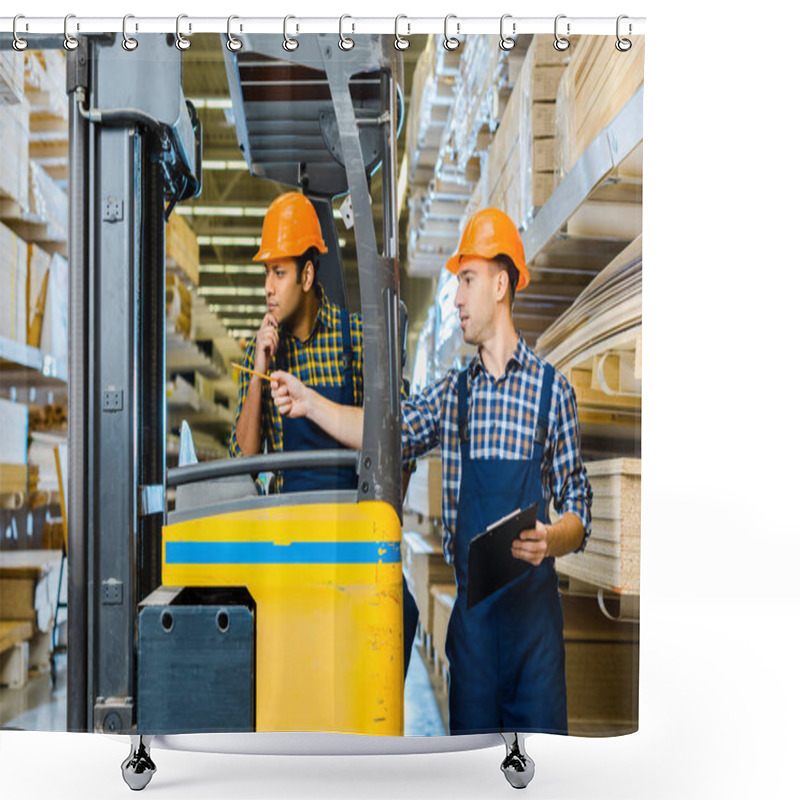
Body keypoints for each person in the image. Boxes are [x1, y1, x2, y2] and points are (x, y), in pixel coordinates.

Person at [269, 207, 593, 735]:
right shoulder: (452, 395)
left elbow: (579, 505)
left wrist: (554, 538)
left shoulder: (553, 393)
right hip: (476, 643)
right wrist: (308, 402)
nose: (458, 299)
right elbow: (383, 433)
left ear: (501, 284)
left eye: (467, 281)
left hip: (535, 644)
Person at [228, 191, 418, 675]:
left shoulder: (356, 339)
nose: (268, 287)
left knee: (402, 614)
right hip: (290, 543)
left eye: (280, 272)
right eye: (266, 272)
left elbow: (403, 434)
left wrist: (381, 515)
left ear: (307, 275)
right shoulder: (267, 357)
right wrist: (258, 367)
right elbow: (243, 453)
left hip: (349, 538)